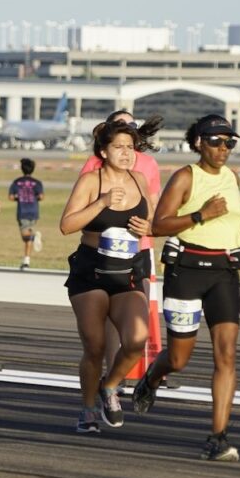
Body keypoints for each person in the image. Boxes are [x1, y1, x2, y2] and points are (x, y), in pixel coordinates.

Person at [131, 113, 240, 461]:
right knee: (178, 358)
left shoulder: (231, 178)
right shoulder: (186, 176)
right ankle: (152, 377)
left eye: (229, 142)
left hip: (225, 273)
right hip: (187, 270)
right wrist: (201, 215)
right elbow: (157, 226)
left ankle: (218, 436)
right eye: (216, 141)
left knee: (227, 355)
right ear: (198, 143)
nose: (223, 148)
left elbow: (226, 218)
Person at [60, 117, 159, 434]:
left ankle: (110, 385)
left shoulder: (140, 180)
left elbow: (153, 218)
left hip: (126, 272)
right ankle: (87, 410)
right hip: (90, 271)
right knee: (95, 346)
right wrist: (102, 202)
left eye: (130, 147)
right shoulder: (92, 181)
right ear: (103, 151)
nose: (126, 153)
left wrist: (149, 228)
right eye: (119, 147)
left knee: (137, 340)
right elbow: (67, 225)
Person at [8, 158, 44, 270]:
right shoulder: (37, 183)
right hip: (34, 211)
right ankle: (26, 261)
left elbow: (10, 197)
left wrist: (18, 197)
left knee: (25, 237)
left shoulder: (17, 182)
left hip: (23, 211)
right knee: (28, 240)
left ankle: (35, 236)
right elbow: (41, 196)